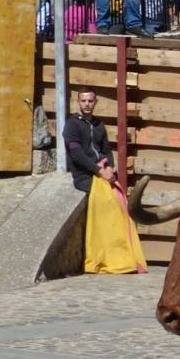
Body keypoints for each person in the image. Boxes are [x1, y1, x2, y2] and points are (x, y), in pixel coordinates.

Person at [64, 89, 146, 275]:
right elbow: (77, 155)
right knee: (107, 202)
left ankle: (122, 253)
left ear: (96, 102)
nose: (87, 104)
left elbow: (106, 150)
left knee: (120, 199)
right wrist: (99, 171)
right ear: (78, 102)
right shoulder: (72, 125)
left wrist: (110, 167)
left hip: (102, 171)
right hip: (85, 175)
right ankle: (103, 255)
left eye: (90, 101)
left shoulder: (99, 125)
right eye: (83, 101)